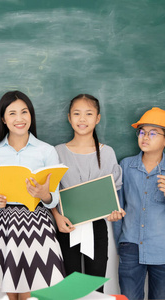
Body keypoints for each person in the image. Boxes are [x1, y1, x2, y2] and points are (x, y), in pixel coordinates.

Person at [0, 91, 65, 300]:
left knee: (31, 294)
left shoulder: (46, 150)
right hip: (5, 224)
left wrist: (45, 195)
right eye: (12, 113)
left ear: (31, 115)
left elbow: (56, 196)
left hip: (38, 224)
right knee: (11, 294)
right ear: (3, 119)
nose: (19, 118)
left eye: (24, 112)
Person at [111, 107, 165, 300]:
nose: (145, 137)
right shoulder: (125, 166)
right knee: (129, 297)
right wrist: (121, 244)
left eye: (153, 133)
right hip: (130, 246)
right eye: (142, 132)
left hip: (164, 249)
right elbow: (118, 208)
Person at [50, 94, 123, 292]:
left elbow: (112, 195)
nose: (82, 119)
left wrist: (114, 212)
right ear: (69, 118)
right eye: (77, 114)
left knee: (95, 287)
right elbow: (49, 196)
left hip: (97, 227)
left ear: (97, 118)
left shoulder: (107, 153)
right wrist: (57, 217)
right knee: (69, 289)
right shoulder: (56, 152)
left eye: (88, 114)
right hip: (66, 226)